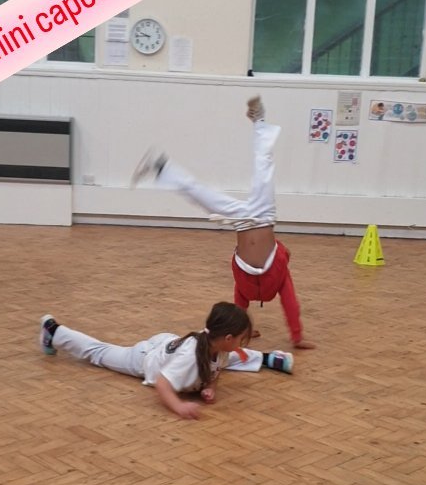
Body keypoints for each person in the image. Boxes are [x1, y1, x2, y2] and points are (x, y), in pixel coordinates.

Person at [131, 96, 314, 349]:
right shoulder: (280, 272)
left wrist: (247, 332)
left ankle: (161, 167)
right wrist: (296, 337)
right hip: (263, 216)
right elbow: (289, 302)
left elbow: (245, 305)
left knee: (199, 194)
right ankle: (259, 119)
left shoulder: (247, 285)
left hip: (241, 221)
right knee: (264, 168)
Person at [39, 301, 294, 421]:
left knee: (234, 356)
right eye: (240, 339)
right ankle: (54, 331)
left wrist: (210, 386)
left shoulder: (219, 346)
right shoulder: (191, 358)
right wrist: (179, 407)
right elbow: (162, 384)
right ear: (227, 338)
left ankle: (268, 358)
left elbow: (218, 368)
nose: (241, 344)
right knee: (100, 353)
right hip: (145, 357)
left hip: (170, 345)